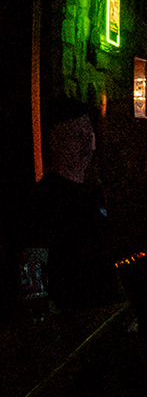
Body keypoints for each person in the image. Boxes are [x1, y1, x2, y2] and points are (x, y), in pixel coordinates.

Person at [19, 99, 115, 313]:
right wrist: (45, 314)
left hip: (104, 315)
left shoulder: (93, 193)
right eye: (76, 136)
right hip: (73, 318)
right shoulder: (42, 199)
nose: (87, 144)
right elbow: (34, 268)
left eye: (89, 135)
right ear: (55, 141)